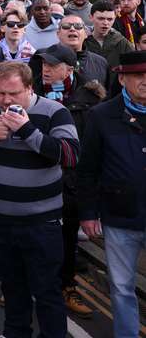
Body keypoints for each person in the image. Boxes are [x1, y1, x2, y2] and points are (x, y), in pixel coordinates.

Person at [0, 61, 79, 338]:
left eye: (13, 94)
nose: (5, 100)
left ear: (29, 88)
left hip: (41, 223)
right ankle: (15, 333)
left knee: (46, 290)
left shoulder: (54, 112)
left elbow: (70, 155)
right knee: (12, 286)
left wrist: (27, 130)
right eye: (1, 93)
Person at [29, 43, 104, 318]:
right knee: (32, 238)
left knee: (67, 239)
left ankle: (66, 286)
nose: (45, 70)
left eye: (52, 65)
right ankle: (25, 286)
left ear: (69, 69)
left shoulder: (90, 97)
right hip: (36, 176)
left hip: (71, 180)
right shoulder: (31, 90)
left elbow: (94, 143)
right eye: (44, 64)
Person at [78, 51, 146, 338]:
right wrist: (88, 213)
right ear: (122, 79)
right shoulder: (101, 115)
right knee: (121, 286)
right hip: (119, 215)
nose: (145, 81)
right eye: (138, 75)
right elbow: (88, 168)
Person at [85, 0, 134, 76]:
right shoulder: (82, 42)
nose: (105, 23)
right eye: (101, 18)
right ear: (91, 17)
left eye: (110, 19)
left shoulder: (123, 43)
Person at [57, 14, 108, 87]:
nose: (72, 29)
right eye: (66, 26)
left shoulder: (101, 62)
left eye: (78, 26)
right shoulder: (44, 59)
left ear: (86, 34)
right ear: (58, 34)